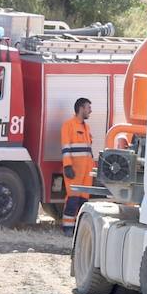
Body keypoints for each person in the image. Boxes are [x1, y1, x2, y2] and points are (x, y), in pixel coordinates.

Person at [60, 98, 96, 237]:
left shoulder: (86, 127)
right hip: (74, 169)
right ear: (81, 108)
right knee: (73, 199)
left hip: (87, 171)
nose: (90, 110)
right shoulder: (68, 125)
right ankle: (67, 228)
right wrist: (68, 165)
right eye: (88, 107)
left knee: (83, 201)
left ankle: (77, 229)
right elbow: (66, 147)